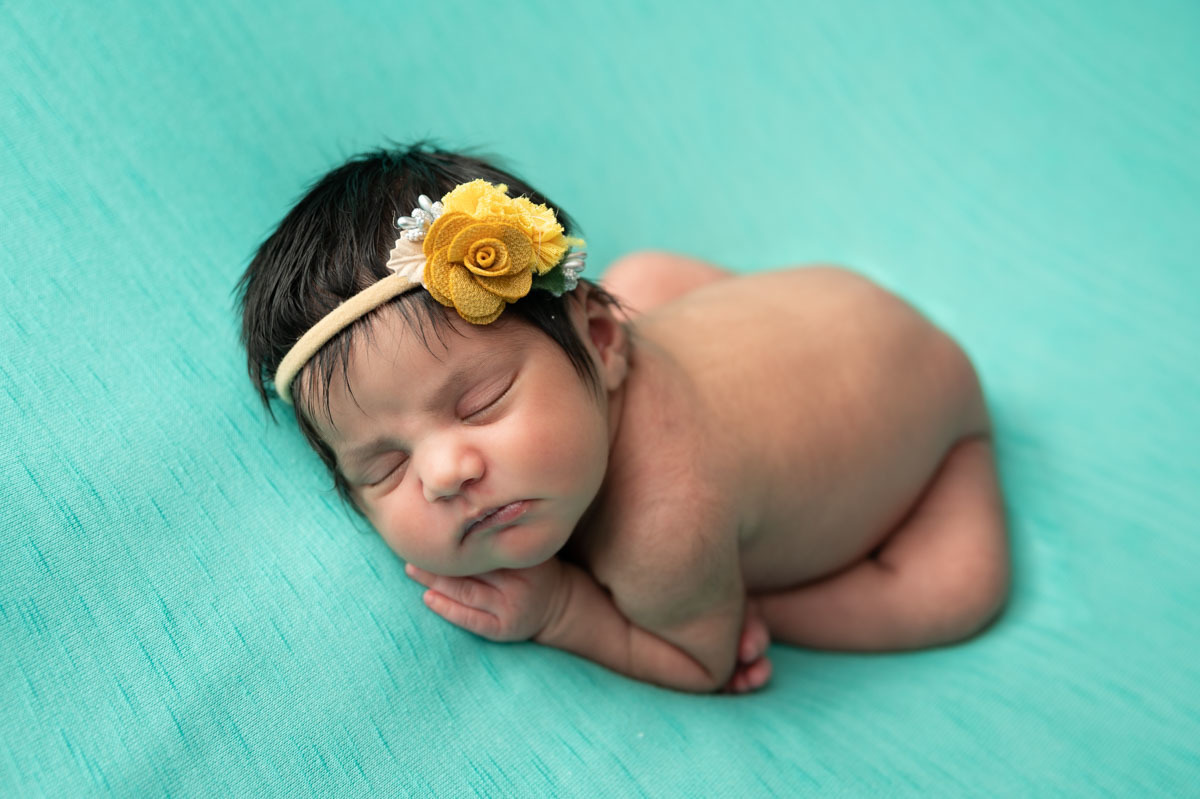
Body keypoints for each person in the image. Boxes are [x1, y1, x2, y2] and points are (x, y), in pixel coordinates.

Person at [236, 142, 1010, 694]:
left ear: (604, 343)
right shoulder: (590, 356)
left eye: (481, 402)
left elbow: (703, 664)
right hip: (821, 303)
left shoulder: (662, 529)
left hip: (936, 407)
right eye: (384, 466)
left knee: (960, 588)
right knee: (644, 274)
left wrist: (565, 608)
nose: (444, 474)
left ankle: (750, 596)